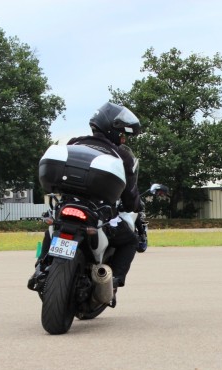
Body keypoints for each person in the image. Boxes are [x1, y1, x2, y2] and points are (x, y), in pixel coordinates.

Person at [28, 102, 143, 298]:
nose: (123, 140)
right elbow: (130, 196)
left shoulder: (73, 144)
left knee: (54, 226)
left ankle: (40, 268)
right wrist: (136, 205)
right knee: (130, 241)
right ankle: (112, 281)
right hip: (97, 213)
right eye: (122, 135)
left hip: (67, 206)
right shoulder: (122, 156)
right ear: (112, 129)